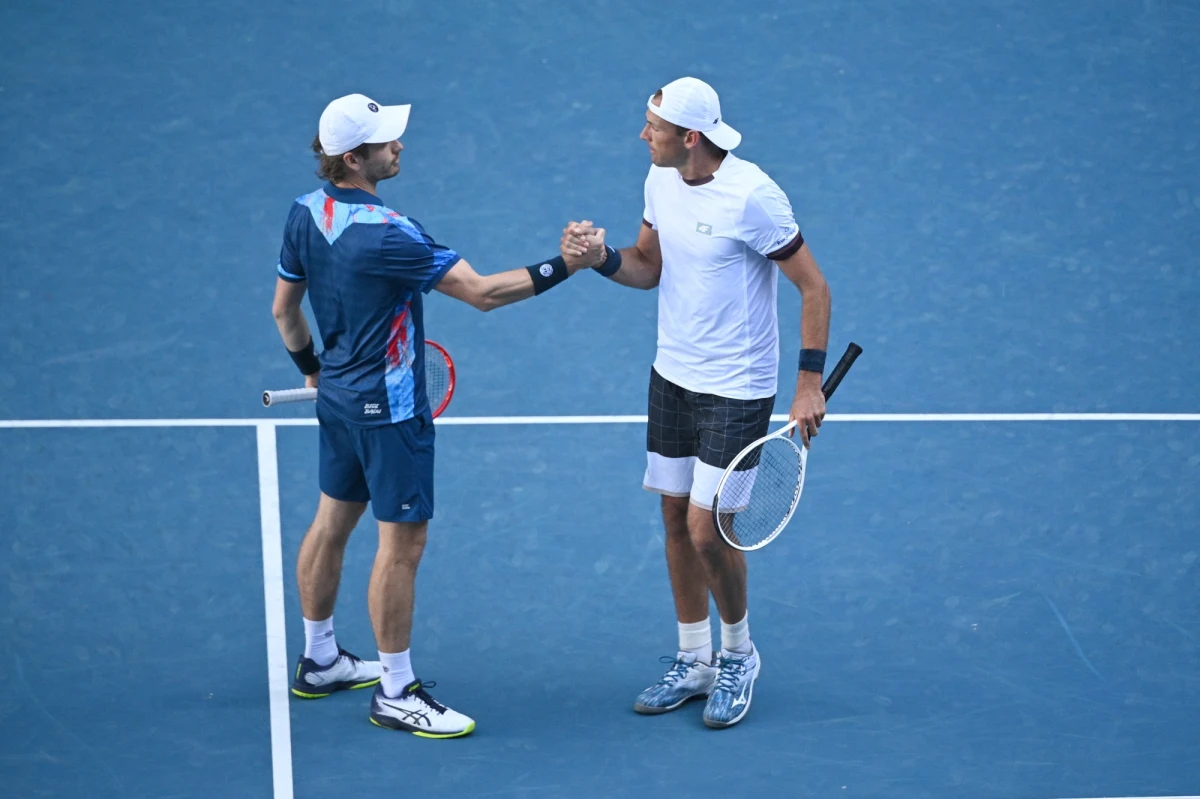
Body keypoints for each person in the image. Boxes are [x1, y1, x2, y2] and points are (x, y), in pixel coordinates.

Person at [272, 92, 591, 738]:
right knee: (402, 546)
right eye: (386, 141)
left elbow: (285, 309)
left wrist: (313, 370)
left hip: (338, 400)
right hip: (390, 414)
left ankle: (320, 657)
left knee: (332, 521)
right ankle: (396, 690)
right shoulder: (391, 234)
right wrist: (569, 264)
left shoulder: (304, 213)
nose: (399, 145)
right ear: (353, 158)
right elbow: (483, 293)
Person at [560, 77, 831, 729]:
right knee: (675, 519)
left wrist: (808, 383)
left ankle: (739, 654)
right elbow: (648, 266)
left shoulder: (753, 196)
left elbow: (814, 287)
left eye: (652, 127)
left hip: (738, 386)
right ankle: (694, 658)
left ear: (688, 137)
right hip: (672, 377)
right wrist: (600, 259)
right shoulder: (660, 180)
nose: (642, 135)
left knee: (711, 531)